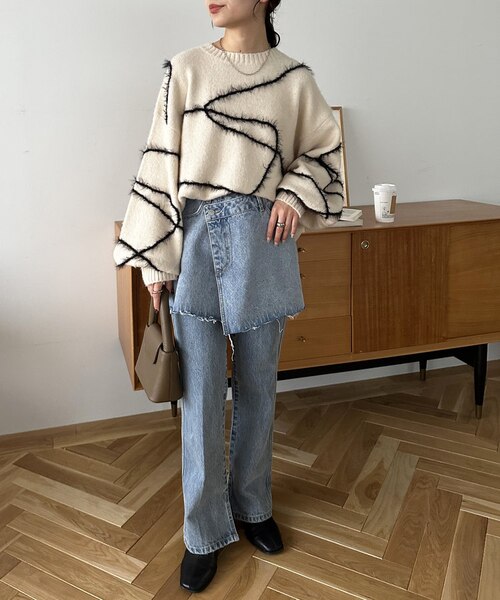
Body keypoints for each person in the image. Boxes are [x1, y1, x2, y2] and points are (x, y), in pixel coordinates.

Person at [113, 0, 345, 592]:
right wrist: (156, 260)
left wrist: (293, 192)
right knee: (200, 400)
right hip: (194, 246)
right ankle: (203, 531)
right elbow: (160, 161)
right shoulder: (187, 68)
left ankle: (253, 505)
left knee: (260, 390)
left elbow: (324, 151)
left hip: (264, 245)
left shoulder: (294, 79)